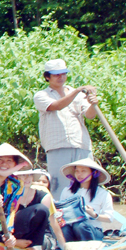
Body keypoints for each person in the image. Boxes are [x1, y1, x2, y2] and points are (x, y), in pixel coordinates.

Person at [32, 59, 99, 199]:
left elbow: (90, 115)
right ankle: (61, 217)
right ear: (47, 77)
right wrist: (77, 91)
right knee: (60, 187)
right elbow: (56, 106)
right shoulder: (41, 95)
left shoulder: (79, 95)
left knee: (87, 184)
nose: (61, 77)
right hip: (58, 147)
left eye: (63, 74)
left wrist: (93, 105)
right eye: (56, 75)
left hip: (81, 145)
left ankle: (87, 213)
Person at [56, 158, 115, 242]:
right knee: (64, 228)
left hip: (93, 230)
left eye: (83, 171)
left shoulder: (103, 194)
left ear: (94, 173)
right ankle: (65, 249)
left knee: (79, 225)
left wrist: (94, 215)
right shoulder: (67, 191)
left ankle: (88, 248)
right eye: (77, 171)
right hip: (71, 228)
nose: (79, 174)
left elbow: (110, 218)